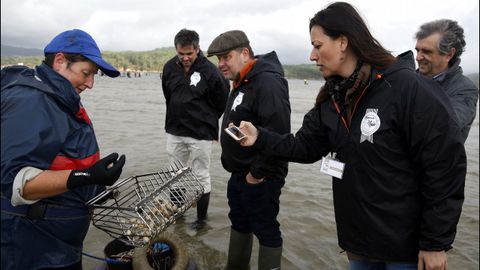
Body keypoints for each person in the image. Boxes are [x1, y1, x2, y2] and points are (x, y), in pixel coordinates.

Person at [237, 3, 466, 270]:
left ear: (343, 42)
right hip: (358, 241)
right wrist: (260, 137)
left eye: (318, 45)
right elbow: (305, 147)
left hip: (405, 246)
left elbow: (444, 166)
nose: (312, 55)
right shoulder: (332, 98)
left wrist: (435, 243)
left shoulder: (406, 88)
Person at [1, 29, 126, 270]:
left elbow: (59, 158)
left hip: (58, 243)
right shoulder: (31, 101)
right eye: (86, 73)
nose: (90, 84)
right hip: (33, 249)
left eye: (93, 75)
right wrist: (87, 176)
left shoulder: (58, 98)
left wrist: (98, 186)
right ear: (60, 61)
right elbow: (14, 181)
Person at [207, 30, 291, 270]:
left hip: (260, 176)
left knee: (266, 230)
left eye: (226, 57)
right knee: (240, 224)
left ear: (245, 53)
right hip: (240, 174)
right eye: (218, 59)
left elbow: (278, 134)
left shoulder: (267, 82)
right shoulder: (242, 80)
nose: (221, 64)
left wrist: (256, 174)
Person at [162, 29, 229, 229]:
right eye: (181, 53)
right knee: (174, 174)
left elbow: (223, 99)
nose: (185, 58)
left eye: (189, 54)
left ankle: (201, 220)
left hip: (201, 133)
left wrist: (207, 120)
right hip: (175, 130)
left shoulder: (210, 70)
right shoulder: (168, 68)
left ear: (197, 49)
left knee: (201, 174)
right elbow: (168, 95)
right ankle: (177, 213)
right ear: (176, 49)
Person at [415, 19, 479, 143]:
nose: (418, 57)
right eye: (418, 50)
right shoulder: (408, 80)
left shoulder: (466, 89)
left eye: (426, 51)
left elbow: (445, 124)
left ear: (449, 54)